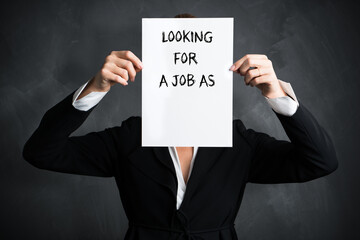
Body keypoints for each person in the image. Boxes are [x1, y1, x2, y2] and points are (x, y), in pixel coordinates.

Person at [22, 13, 338, 240]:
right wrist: (96, 87)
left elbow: (320, 161)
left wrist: (278, 95)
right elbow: (41, 153)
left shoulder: (239, 142)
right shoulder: (131, 137)